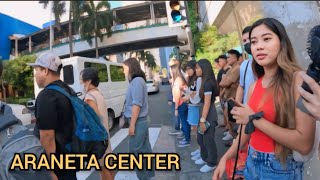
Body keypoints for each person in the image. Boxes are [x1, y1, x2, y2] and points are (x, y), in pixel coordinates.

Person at [213, 17, 316, 180]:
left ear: (282, 42)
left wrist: (254, 119)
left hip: (279, 169)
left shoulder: (298, 80)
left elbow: (304, 144)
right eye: (253, 42)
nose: (259, 46)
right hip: (251, 162)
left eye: (266, 39)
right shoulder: (254, 86)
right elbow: (246, 131)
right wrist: (226, 157)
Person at [28, 53, 78, 180]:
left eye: (37, 70)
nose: (35, 75)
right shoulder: (68, 90)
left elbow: (47, 136)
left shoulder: (47, 95)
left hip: (57, 167)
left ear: (45, 70)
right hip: (69, 157)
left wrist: (49, 171)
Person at [122, 58, 155, 180]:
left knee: (135, 151)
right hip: (141, 120)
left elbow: (137, 104)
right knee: (145, 149)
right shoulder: (137, 81)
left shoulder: (136, 81)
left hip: (138, 121)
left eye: (124, 67)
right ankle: (149, 175)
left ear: (131, 67)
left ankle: (143, 177)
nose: (123, 70)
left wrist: (132, 125)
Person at [80, 67, 114, 180]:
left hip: (98, 140)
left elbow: (94, 119)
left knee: (103, 170)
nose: (81, 84)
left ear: (89, 81)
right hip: (105, 137)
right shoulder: (98, 93)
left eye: (82, 81)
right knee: (108, 168)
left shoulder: (89, 97)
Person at [195, 59, 219, 173]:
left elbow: (207, 103)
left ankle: (212, 162)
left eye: (198, 68)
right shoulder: (204, 81)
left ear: (203, 69)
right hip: (204, 111)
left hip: (209, 113)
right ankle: (205, 157)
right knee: (201, 138)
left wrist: (203, 120)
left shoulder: (208, 82)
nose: (196, 70)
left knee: (208, 139)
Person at [219, 49, 241, 141]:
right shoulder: (231, 69)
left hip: (234, 98)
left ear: (236, 58)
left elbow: (224, 83)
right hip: (229, 98)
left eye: (229, 57)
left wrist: (225, 81)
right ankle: (233, 136)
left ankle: (236, 140)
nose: (227, 58)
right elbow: (223, 83)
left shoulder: (237, 69)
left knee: (234, 121)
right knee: (229, 118)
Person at [170, 59, 190, 147]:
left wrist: (176, 108)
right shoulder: (180, 78)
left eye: (171, 70)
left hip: (181, 104)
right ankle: (186, 138)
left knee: (184, 122)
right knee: (185, 122)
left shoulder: (177, 80)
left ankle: (187, 140)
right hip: (184, 103)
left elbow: (177, 95)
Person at [235, 26, 256, 105]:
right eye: (244, 40)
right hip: (247, 109)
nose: (247, 42)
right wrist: (238, 106)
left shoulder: (267, 62)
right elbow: (241, 86)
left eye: (250, 39)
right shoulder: (245, 64)